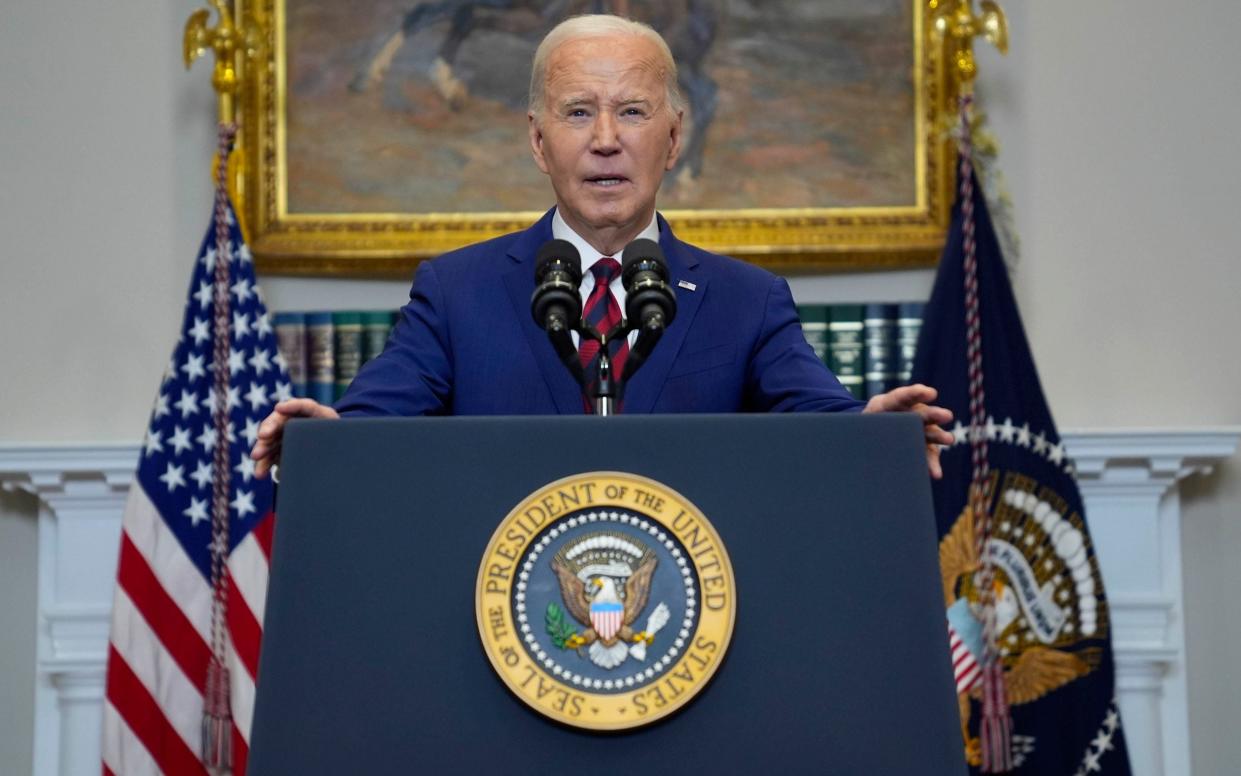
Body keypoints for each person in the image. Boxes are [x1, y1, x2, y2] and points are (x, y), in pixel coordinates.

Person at [251, 14, 952, 479]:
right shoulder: (456, 292)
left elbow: (821, 422)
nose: (606, 139)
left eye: (633, 112)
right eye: (578, 112)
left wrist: (871, 432)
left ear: (673, 139)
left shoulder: (747, 302)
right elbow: (375, 421)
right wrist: (326, 438)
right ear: (537, 139)